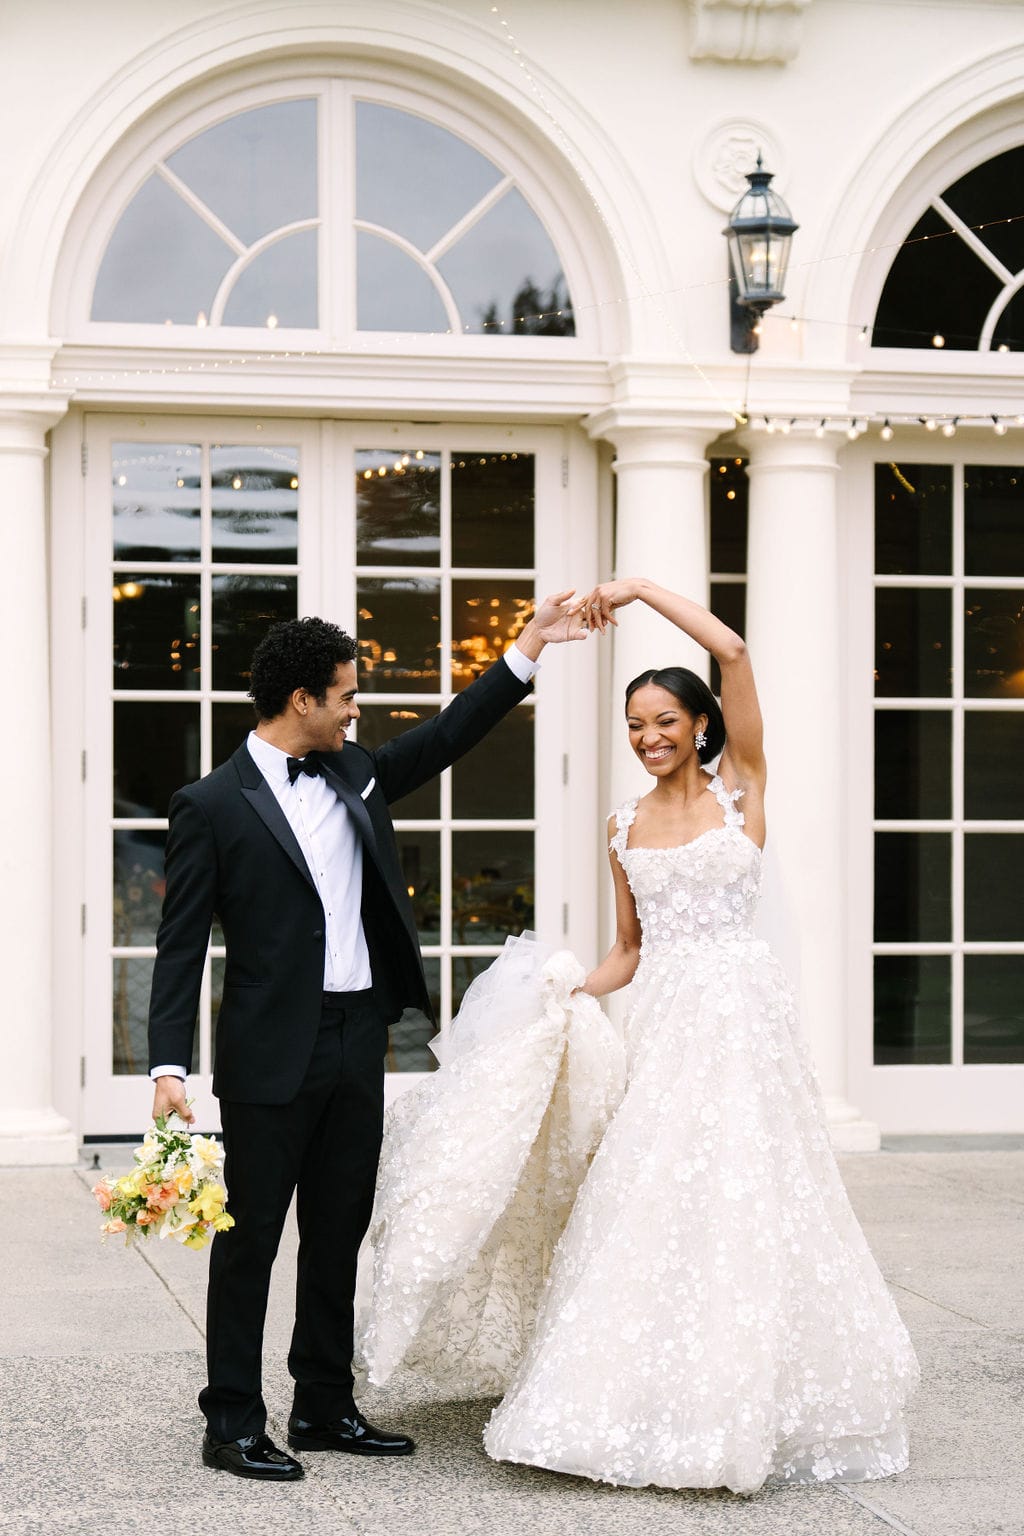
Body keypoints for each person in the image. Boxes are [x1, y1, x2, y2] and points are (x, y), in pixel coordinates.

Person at [364, 578, 919, 1496]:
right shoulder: (622, 822)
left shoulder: (743, 790)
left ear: (701, 725)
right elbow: (629, 949)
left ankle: (745, 1397)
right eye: (634, 725)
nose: (649, 737)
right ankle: (640, 1392)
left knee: (752, 1193)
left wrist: (637, 591)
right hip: (668, 1023)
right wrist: (568, 989)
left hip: (745, 1019)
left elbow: (733, 652)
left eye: (664, 720)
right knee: (656, 1191)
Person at [147, 592, 587, 1483]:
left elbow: (450, 735)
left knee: (339, 1227)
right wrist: (166, 1064)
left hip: (358, 1036)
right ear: (303, 699)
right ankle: (230, 1420)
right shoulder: (210, 804)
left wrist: (528, 649)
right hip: (271, 1050)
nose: (358, 710)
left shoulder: (355, 773)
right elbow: (182, 940)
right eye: (347, 695)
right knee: (253, 1239)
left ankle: (323, 1405)